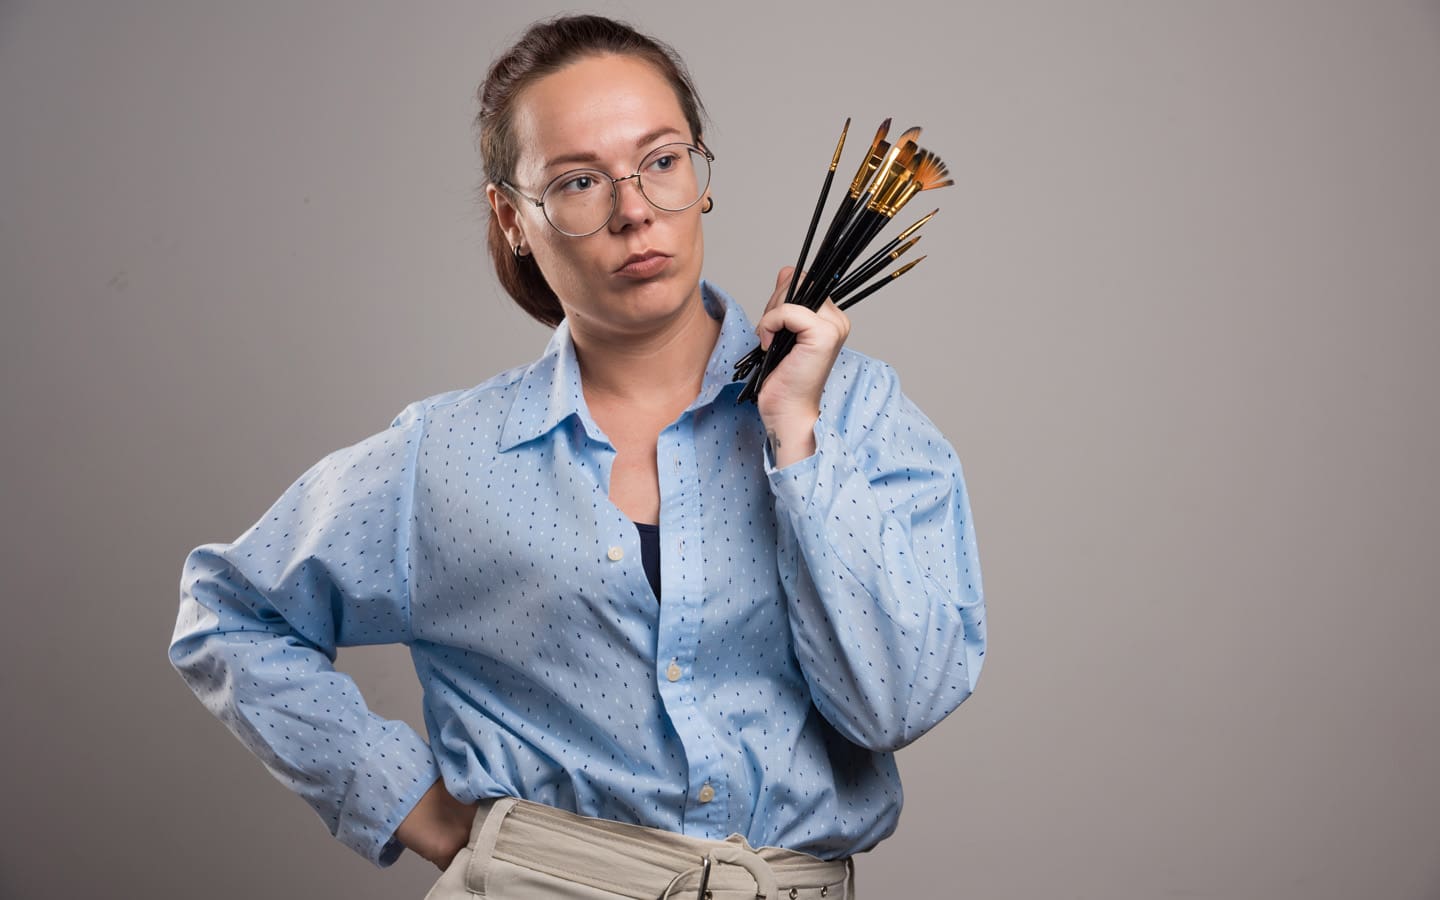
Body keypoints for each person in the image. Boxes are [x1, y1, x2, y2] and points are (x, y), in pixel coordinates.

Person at [168, 13, 986, 899]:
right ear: (513, 219)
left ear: (699, 175)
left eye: (662, 161)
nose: (634, 211)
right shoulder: (448, 455)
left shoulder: (856, 414)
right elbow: (228, 611)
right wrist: (411, 805)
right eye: (579, 182)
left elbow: (898, 706)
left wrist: (797, 438)